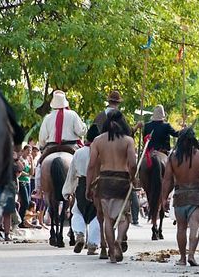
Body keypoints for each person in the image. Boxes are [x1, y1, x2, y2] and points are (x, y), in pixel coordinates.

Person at [85, 110, 137, 264]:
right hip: (122, 180)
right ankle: (119, 241)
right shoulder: (128, 140)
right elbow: (133, 164)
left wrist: (88, 187)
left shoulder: (98, 141)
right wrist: (132, 178)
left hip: (105, 181)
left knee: (107, 219)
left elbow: (91, 165)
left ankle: (112, 254)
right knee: (124, 217)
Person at [161, 127, 199, 267]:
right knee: (194, 227)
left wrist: (164, 197)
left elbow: (167, 180)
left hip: (180, 195)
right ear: (194, 139)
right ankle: (191, 254)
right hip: (197, 195)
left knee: (181, 228)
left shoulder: (173, 157)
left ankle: (182, 258)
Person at [34, 90, 87, 193]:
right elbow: (81, 132)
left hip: (51, 146)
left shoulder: (48, 117)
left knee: (39, 165)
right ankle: (84, 188)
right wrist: (84, 126)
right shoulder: (73, 114)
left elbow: (42, 137)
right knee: (83, 163)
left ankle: (38, 190)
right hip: (71, 146)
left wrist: (42, 146)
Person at [62, 124, 101, 255]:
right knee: (97, 214)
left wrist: (67, 191)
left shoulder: (78, 152)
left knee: (77, 211)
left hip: (81, 184)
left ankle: (79, 234)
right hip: (98, 185)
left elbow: (71, 173)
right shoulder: (101, 152)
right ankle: (93, 244)